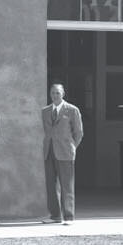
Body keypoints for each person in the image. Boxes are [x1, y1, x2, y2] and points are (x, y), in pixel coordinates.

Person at [41, 82, 85, 223]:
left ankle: (68, 216)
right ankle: (55, 215)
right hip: (49, 151)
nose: (55, 95)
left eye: (57, 93)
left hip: (65, 152)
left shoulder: (72, 110)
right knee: (51, 185)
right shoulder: (45, 111)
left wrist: (72, 147)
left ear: (63, 94)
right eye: (53, 93)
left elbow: (78, 132)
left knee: (66, 184)